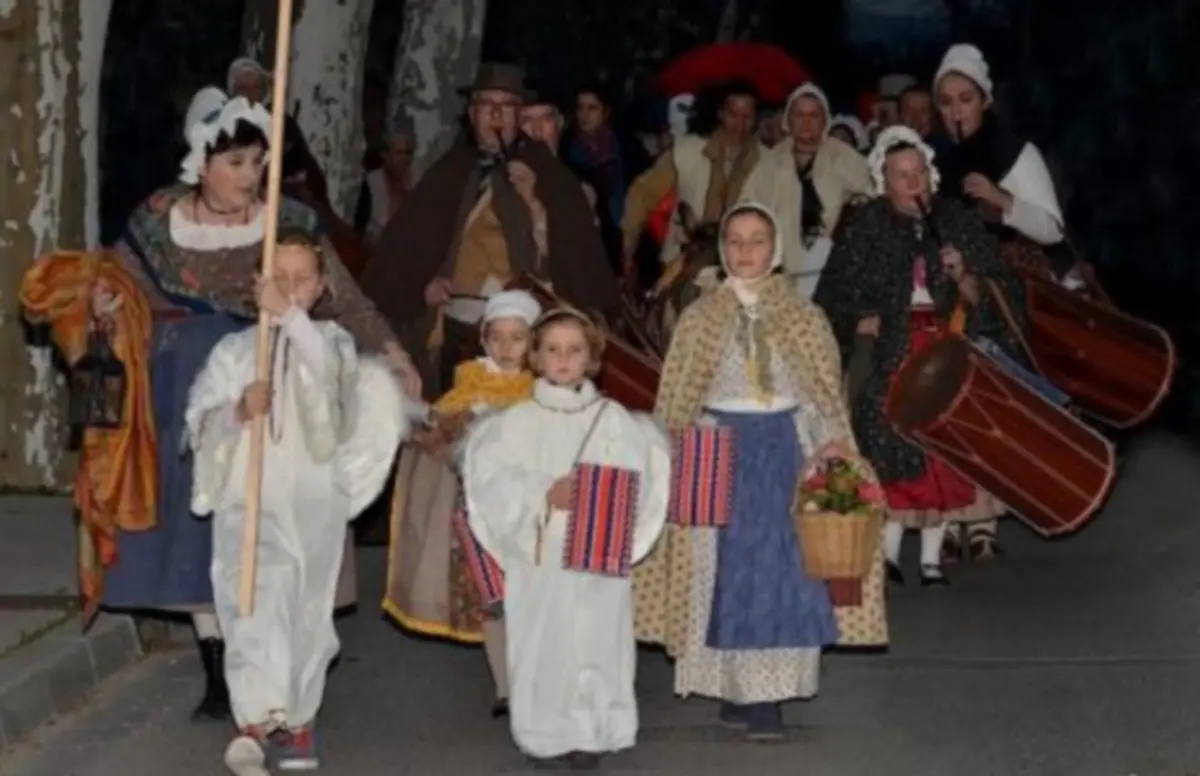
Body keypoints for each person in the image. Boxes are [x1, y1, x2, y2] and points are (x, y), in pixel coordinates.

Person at [80, 85, 417, 724]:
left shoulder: (286, 222)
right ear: (201, 160)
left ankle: (277, 663)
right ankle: (217, 664)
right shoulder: (158, 219)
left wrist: (392, 353)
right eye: (235, 162)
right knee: (198, 531)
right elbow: (116, 287)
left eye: (259, 162)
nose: (250, 175)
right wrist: (103, 305)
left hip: (278, 385)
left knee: (274, 529)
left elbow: (343, 298)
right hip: (191, 392)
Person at [633, 203, 888, 741]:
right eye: (735, 240)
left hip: (784, 451)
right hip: (717, 452)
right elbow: (678, 393)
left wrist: (831, 444)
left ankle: (766, 697)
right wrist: (671, 450)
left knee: (780, 570)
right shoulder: (701, 317)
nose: (746, 250)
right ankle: (734, 686)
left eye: (757, 240)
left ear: (775, 250)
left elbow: (821, 392)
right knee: (721, 572)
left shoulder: (803, 316)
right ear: (722, 248)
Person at [185, 229, 408, 773]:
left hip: (311, 500)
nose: (288, 287)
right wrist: (238, 412)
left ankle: (297, 719)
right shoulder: (234, 352)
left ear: (321, 286)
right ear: (257, 283)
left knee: (305, 610)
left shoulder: (331, 342)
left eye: (300, 278)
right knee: (250, 601)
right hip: (248, 498)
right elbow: (200, 423)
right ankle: (254, 722)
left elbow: (333, 387)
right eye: (277, 278)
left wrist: (288, 318)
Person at [813, 126, 1027, 585]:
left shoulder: (954, 220)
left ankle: (932, 556)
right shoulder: (866, 227)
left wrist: (964, 275)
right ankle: (888, 551)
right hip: (891, 350)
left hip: (948, 348)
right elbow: (833, 295)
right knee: (887, 436)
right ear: (884, 183)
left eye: (919, 173)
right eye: (901, 175)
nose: (913, 183)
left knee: (944, 447)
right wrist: (858, 320)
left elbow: (1001, 291)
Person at [462, 307, 670, 768]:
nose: (563, 359)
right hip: (540, 554)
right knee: (544, 638)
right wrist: (543, 493)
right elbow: (493, 480)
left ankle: (592, 730)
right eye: (552, 349)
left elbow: (637, 478)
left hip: (597, 551)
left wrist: (603, 495)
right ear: (535, 356)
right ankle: (543, 729)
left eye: (574, 350)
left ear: (591, 358)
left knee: (598, 636)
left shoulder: (612, 419)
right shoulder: (516, 421)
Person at [363, 62, 619, 400]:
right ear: (472, 114)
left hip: (523, 337)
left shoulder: (550, 175)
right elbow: (405, 251)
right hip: (456, 328)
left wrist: (534, 203)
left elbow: (573, 262)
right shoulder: (451, 171)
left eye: (507, 105)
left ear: (518, 115)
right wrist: (422, 286)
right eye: (486, 104)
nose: (496, 114)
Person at [930, 43, 1069, 559]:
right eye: (947, 101)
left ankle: (986, 513)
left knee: (992, 397)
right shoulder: (933, 155)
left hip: (1004, 285)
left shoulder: (1015, 152)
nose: (956, 111)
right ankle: (950, 510)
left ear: (984, 101)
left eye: (966, 99)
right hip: (948, 283)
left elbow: (1052, 228)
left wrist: (1001, 198)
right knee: (945, 397)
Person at [384, 290, 541, 720]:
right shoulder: (469, 386)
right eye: (496, 337)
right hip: (478, 516)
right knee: (492, 598)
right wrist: (449, 425)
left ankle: (532, 678)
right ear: (484, 339)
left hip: (531, 516)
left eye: (517, 338)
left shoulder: (543, 390)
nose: (506, 347)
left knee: (531, 597)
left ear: (533, 342)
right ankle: (506, 686)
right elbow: (434, 436)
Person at [620, 81, 765, 287]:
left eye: (747, 117)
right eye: (733, 115)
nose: (739, 125)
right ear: (721, 113)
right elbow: (642, 194)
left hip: (741, 271)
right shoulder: (687, 151)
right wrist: (628, 248)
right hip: (683, 263)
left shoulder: (767, 163)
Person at [741, 83, 874, 299]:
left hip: (835, 274)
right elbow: (747, 212)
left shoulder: (844, 157)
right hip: (781, 274)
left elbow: (874, 195)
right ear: (788, 120)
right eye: (800, 115)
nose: (806, 122)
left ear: (825, 120)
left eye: (813, 115)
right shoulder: (769, 165)